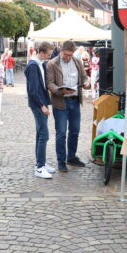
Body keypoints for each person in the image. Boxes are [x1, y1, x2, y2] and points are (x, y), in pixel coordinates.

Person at [46, 40, 90, 172]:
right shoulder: (52, 64)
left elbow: (84, 77)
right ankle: (61, 161)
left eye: (70, 55)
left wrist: (87, 82)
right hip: (61, 102)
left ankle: (71, 156)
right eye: (66, 54)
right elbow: (50, 83)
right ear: (61, 51)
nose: (67, 57)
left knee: (75, 131)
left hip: (75, 100)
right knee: (61, 133)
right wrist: (60, 90)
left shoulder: (77, 62)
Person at [26, 42, 55, 178]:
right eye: (49, 54)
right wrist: (42, 105)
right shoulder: (33, 65)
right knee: (44, 134)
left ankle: (40, 163)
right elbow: (33, 89)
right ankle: (39, 167)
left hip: (40, 102)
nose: (50, 56)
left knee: (40, 134)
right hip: (38, 104)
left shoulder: (39, 64)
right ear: (42, 52)